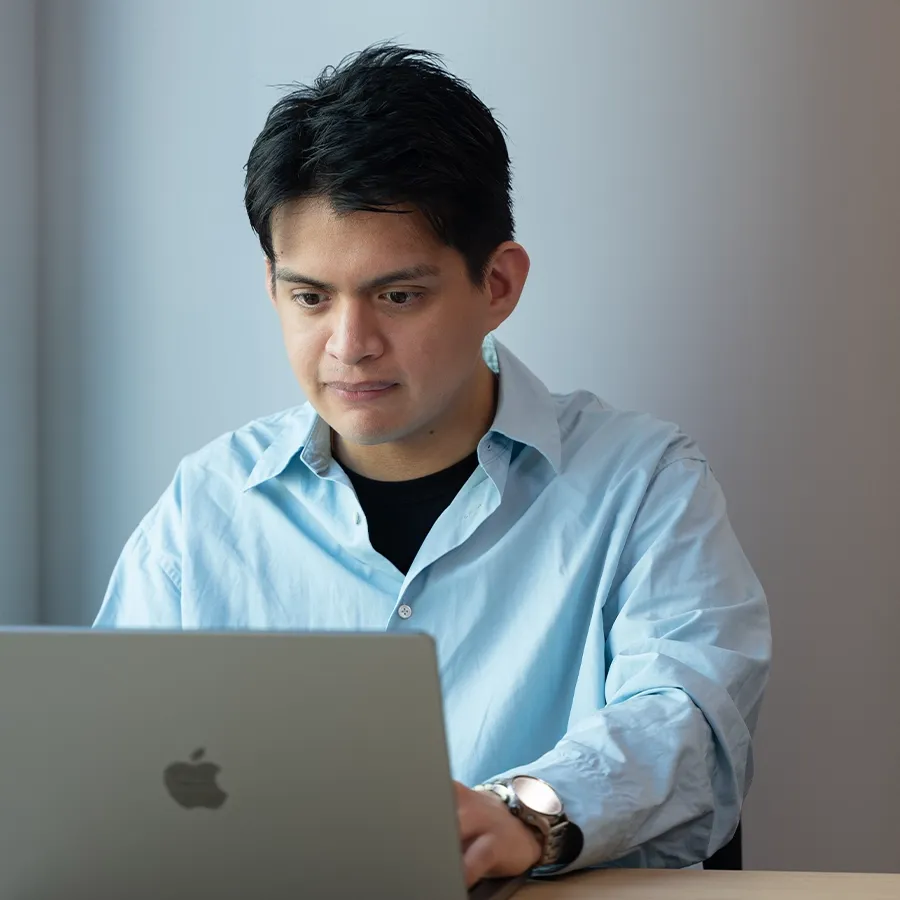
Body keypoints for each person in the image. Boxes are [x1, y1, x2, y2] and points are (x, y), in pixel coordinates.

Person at [95, 42, 771, 888]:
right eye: (310, 297)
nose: (348, 347)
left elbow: (690, 717)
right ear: (272, 288)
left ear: (498, 283)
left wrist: (529, 815)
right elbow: (111, 766)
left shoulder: (643, 485)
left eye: (397, 296)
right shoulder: (207, 505)